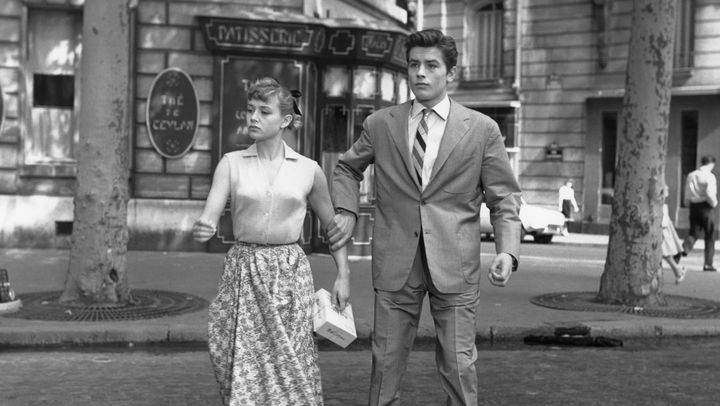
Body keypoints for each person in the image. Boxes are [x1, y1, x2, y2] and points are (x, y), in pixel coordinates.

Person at [327, 29, 522, 406]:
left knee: (458, 366)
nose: (420, 73)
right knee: (384, 365)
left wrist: (507, 251)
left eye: (431, 65)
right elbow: (346, 169)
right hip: (395, 261)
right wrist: (347, 210)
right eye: (414, 64)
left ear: (450, 74)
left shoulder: (482, 130)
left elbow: (504, 198)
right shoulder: (381, 124)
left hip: (456, 264)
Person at [192, 77, 350, 405]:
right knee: (240, 360)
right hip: (243, 273)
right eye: (250, 110)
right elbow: (211, 211)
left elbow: (332, 227)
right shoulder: (231, 163)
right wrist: (204, 225)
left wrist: (344, 275)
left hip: (289, 275)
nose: (253, 117)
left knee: (290, 360)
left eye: (265, 112)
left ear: (286, 121)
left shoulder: (308, 170)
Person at [676, 155, 718, 272]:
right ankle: (708, 263)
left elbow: (687, 191)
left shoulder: (692, 175)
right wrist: (714, 203)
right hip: (706, 206)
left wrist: (687, 203)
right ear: (711, 164)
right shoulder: (710, 176)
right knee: (709, 235)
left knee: (693, 232)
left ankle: (680, 253)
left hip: (694, 206)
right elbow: (710, 193)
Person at [660, 186, 686, 284]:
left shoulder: (661, 206)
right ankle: (677, 270)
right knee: (663, 252)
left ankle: (677, 270)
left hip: (661, 227)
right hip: (660, 225)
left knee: (663, 251)